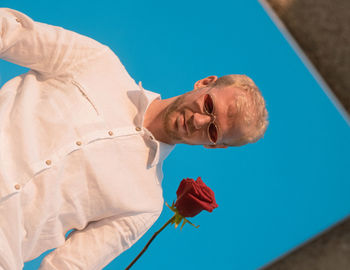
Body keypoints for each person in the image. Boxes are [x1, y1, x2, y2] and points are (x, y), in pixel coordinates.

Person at [0, 8, 268, 270]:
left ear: (215, 145)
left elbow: (71, 266)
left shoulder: (145, 204)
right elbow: (10, 33)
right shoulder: (96, 62)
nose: (199, 120)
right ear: (205, 82)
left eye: (212, 130)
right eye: (209, 105)